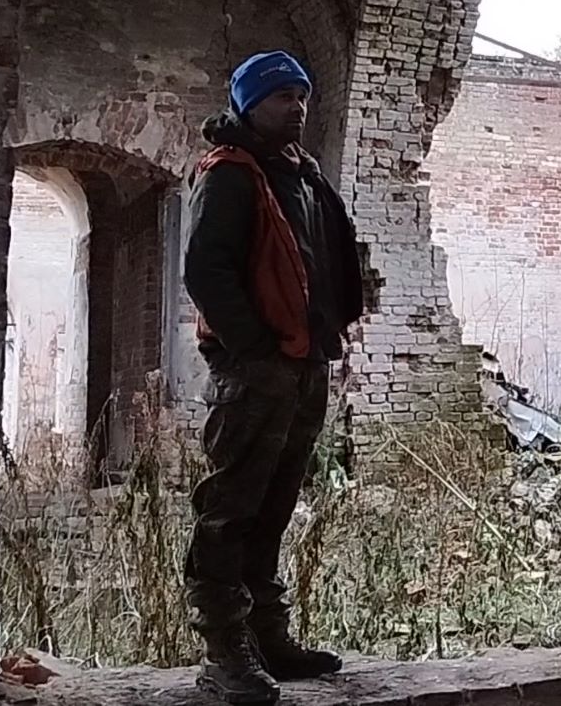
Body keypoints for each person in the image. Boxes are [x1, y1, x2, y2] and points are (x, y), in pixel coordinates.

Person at [182, 50, 364, 704]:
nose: (298, 106)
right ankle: (224, 652)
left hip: (304, 365)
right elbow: (206, 271)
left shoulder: (301, 176)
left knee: (275, 505)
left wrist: (324, 336)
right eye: (283, 96)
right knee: (231, 510)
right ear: (249, 104)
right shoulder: (231, 174)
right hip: (256, 371)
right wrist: (255, 348)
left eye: (302, 95)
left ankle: (267, 638)